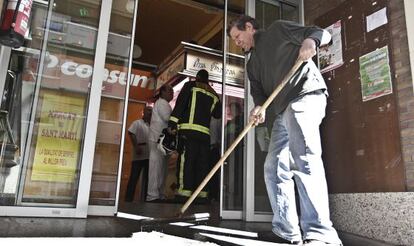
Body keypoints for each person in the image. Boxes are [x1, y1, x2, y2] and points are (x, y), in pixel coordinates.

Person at [227, 15, 342, 246]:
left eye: (238, 36)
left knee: (304, 159)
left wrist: (311, 42)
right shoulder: (252, 64)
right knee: (273, 166)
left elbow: (322, 33)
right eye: (234, 40)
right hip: (281, 111)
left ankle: (321, 233)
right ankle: (286, 230)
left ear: (249, 27)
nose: (237, 43)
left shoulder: (277, 30)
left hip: (304, 96)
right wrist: (258, 108)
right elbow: (258, 95)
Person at [168, 69, 221, 202]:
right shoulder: (213, 93)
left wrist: (172, 123)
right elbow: (217, 114)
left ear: (197, 77)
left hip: (188, 131)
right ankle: (201, 194)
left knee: (187, 162)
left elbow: (181, 103)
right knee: (202, 163)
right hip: (204, 135)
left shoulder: (190, 86)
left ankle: (184, 193)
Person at [146, 84, 174, 202]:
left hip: (160, 141)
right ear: (162, 92)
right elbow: (168, 118)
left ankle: (159, 195)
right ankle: (153, 196)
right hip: (158, 140)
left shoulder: (162, 103)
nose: (171, 93)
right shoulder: (162, 103)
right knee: (156, 168)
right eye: (169, 91)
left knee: (160, 169)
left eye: (172, 91)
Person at [125, 106, 152, 202]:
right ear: (143, 112)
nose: (150, 112)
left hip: (149, 156)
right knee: (134, 178)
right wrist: (136, 146)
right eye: (148, 110)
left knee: (148, 181)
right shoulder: (137, 123)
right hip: (138, 156)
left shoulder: (153, 125)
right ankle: (128, 200)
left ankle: (145, 200)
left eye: (151, 110)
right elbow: (131, 133)